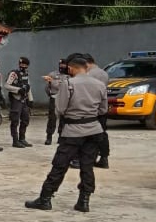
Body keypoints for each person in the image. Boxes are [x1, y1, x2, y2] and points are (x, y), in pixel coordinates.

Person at [24, 55, 107, 213]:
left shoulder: (68, 83)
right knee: (87, 166)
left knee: (60, 165)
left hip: (73, 130)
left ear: (71, 68)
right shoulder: (99, 85)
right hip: (94, 129)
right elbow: (103, 110)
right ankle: (84, 201)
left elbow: (60, 109)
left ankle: (45, 198)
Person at [84, 53, 111, 169]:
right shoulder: (104, 73)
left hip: (91, 108)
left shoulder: (89, 74)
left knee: (89, 135)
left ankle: (89, 158)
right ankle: (104, 158)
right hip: (102, 107)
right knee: (102, 133)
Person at [3, 56, 34, 148]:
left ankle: (22, 139)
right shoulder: (14, 74)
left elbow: (28, 87)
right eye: (21, 64)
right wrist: (17, 90)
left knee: (25, 120)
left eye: (25, 64)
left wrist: (31, 99)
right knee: (15, 120)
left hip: (24, 100)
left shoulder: (26, 74)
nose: (23, 66)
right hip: (16, 99)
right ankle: (15, 140)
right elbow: (6, 85)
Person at [43, 58, 67, 145]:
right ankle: (49, 137)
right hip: (54, 98)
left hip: (64, 99)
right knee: (52, 118)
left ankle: (61, 137)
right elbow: (47, 87)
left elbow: (61, 86)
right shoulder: (52, 74)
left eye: (64, 65)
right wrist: (50, 94)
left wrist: (52, 81)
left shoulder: (69, 76)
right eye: (61, 64)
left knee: (63, 119)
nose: (62, 66)